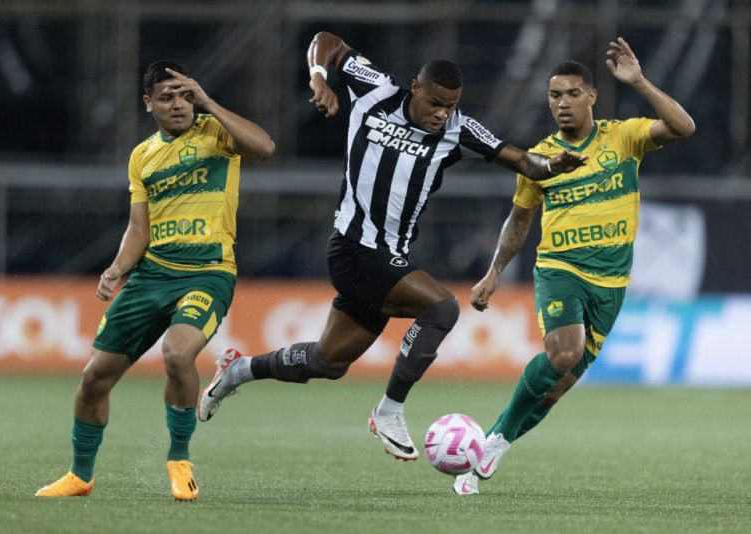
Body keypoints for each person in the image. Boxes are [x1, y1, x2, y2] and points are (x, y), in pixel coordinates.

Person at [197, 31, 586, 462]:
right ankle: (389, 410)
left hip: (389, 255)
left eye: (450, 106)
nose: (442, 114)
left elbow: (521, 160)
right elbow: (326, 40)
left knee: (328, 362)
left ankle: (238, 370)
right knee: (442, 308)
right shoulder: (375, 89)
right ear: (415, 88)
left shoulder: (459, 129)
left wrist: (552, 165)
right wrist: (319, 78)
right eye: (435, 103)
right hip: (353, 248)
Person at [453, 38, 695, 495]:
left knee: (558, 385)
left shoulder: (623, 137)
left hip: (612, 281)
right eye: (554, 95)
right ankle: (492, 441)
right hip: (559, 268)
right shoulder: (538, 159)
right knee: (563, 353)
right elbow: (520, 219)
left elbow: (683, 127)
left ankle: (496, 445)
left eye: (571, 93)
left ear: (591, 96)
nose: (561, 103)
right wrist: (493, 272)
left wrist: (639, 81)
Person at [36, 60, 275, 500]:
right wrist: (117, 268)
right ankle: (80, 475)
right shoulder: (142, 156)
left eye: (185, 95)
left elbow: (264, 147)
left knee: (178, 353)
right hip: (151, 277)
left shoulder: (217, 132)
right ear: (148, 104)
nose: (179, 105)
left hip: (208, 272)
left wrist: (209, 101)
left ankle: (179, 461)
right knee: (93, 379)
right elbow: (138, 228)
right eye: (167, 97)